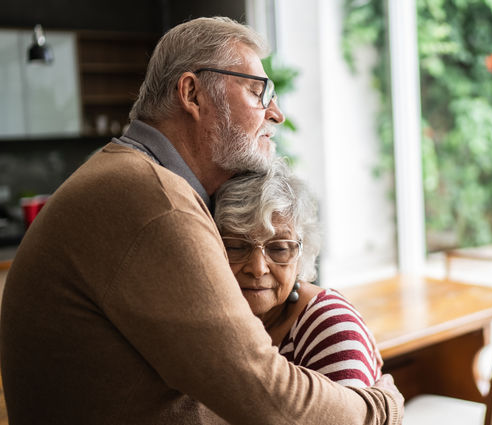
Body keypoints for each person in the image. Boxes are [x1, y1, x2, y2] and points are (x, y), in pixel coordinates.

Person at [0, 16, 402, 424]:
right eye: (257, 91)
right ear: (192, 93)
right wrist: (380, 406)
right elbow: (269, 400)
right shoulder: (153, 200)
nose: (276, 113)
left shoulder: (131, 179)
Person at [214, 159, 383, 388]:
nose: (258, 268)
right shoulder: (214, 319)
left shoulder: (330, 325)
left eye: (279, 248)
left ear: (301, 253)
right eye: (236, 246)